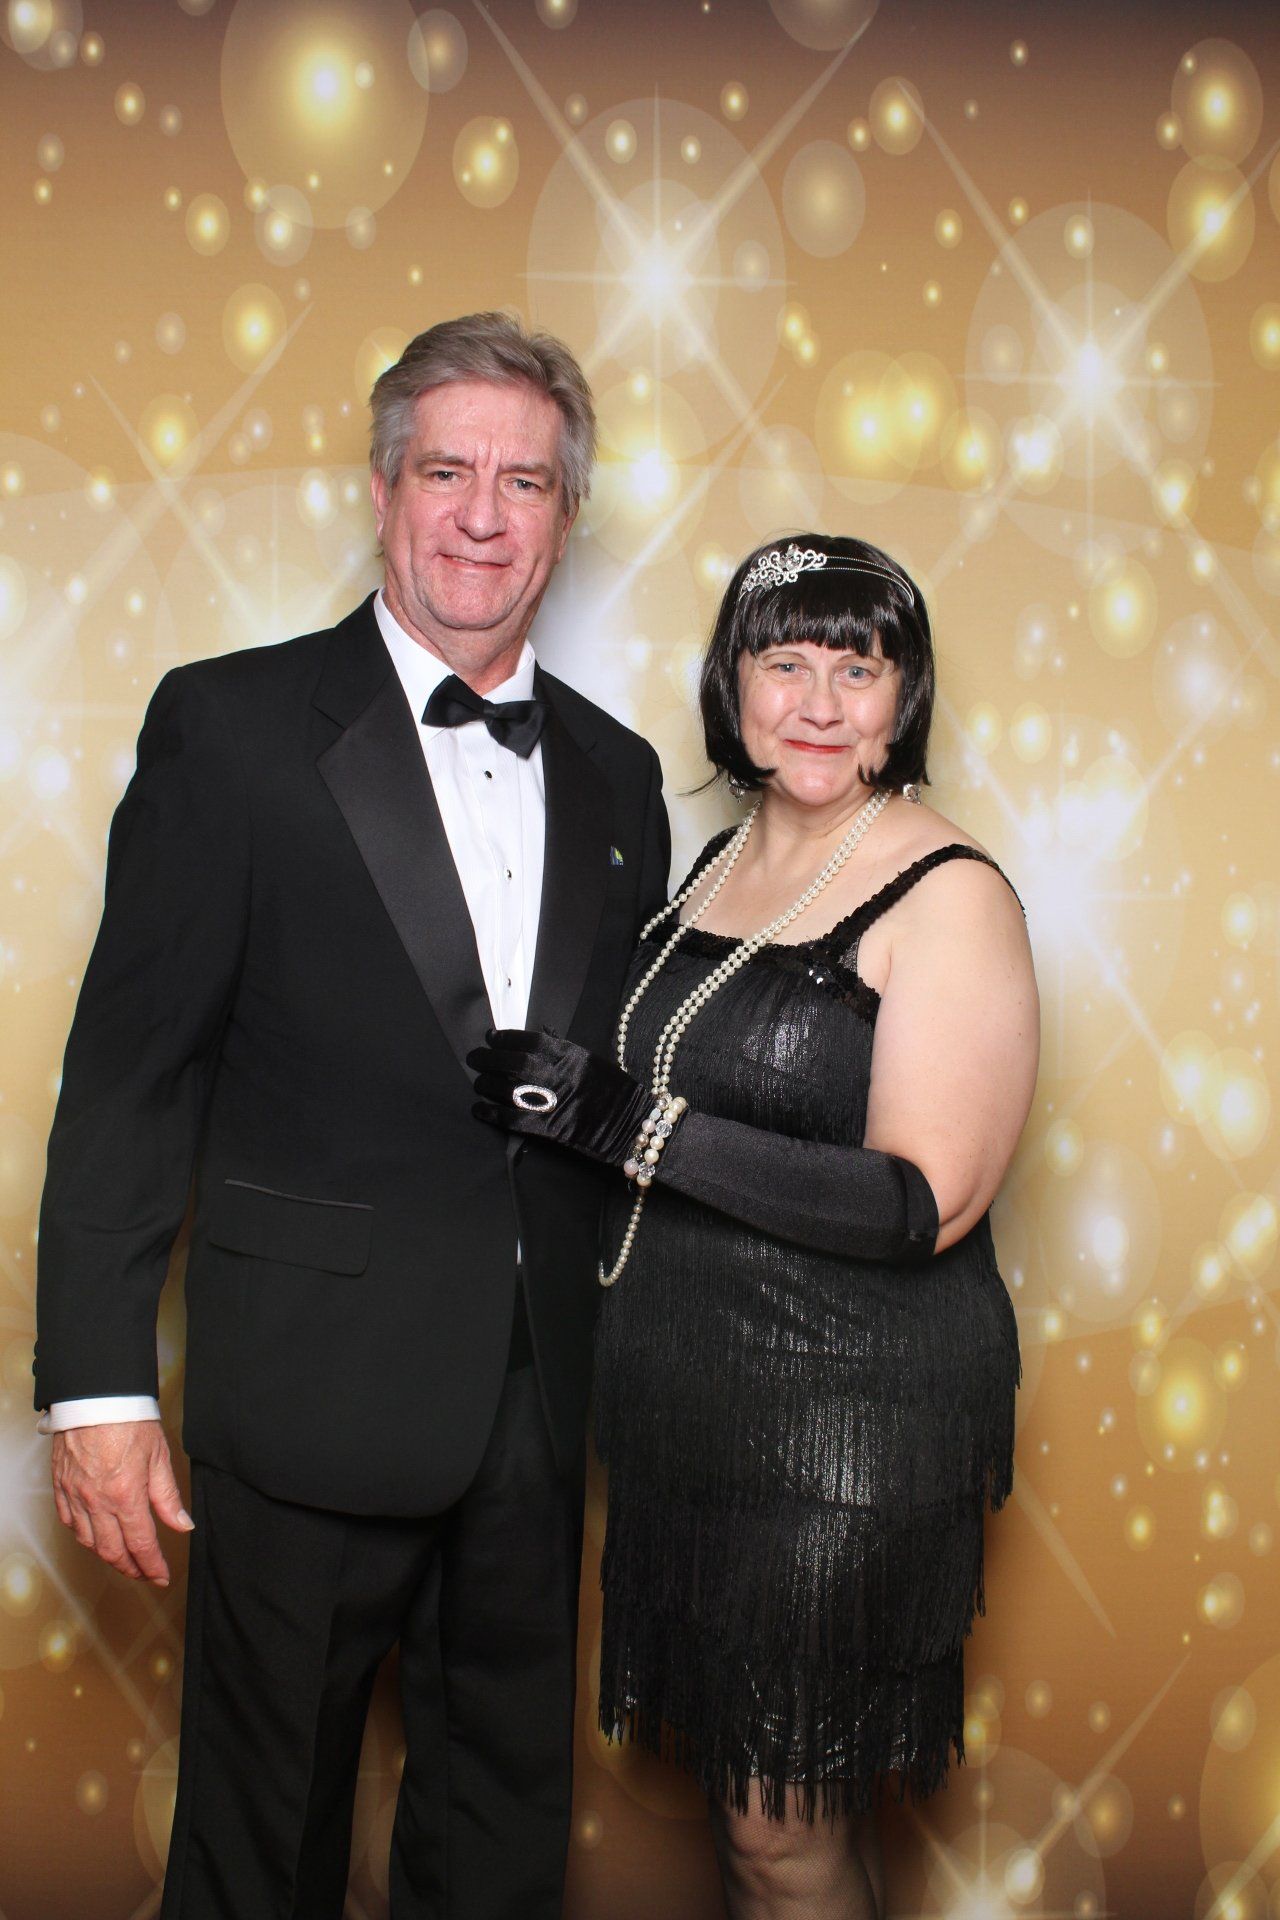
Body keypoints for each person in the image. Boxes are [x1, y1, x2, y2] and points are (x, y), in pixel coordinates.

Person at [35, 311, 670, 1919]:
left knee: (503, 1845)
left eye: (524, 482)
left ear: (566, 515)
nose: (483, 516)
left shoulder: (622, 774)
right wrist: (97, 1388)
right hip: (304, 1398)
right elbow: (131, 1076)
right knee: (259, 1851)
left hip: (538, 1408)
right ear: (384, 489)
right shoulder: (231, 728)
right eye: (447, 472)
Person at [470, 533, 1038, 1920]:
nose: (820, 704)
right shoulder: (716, 862)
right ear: (732, 686)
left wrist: (633, 1126)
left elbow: (922, 1200)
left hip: (844, 1428)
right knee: (750, 1833)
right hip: (692, 1413)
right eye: (786, 664)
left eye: (859, 669)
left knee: (783, 1838)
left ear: (904, 699)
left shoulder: (948, 890)